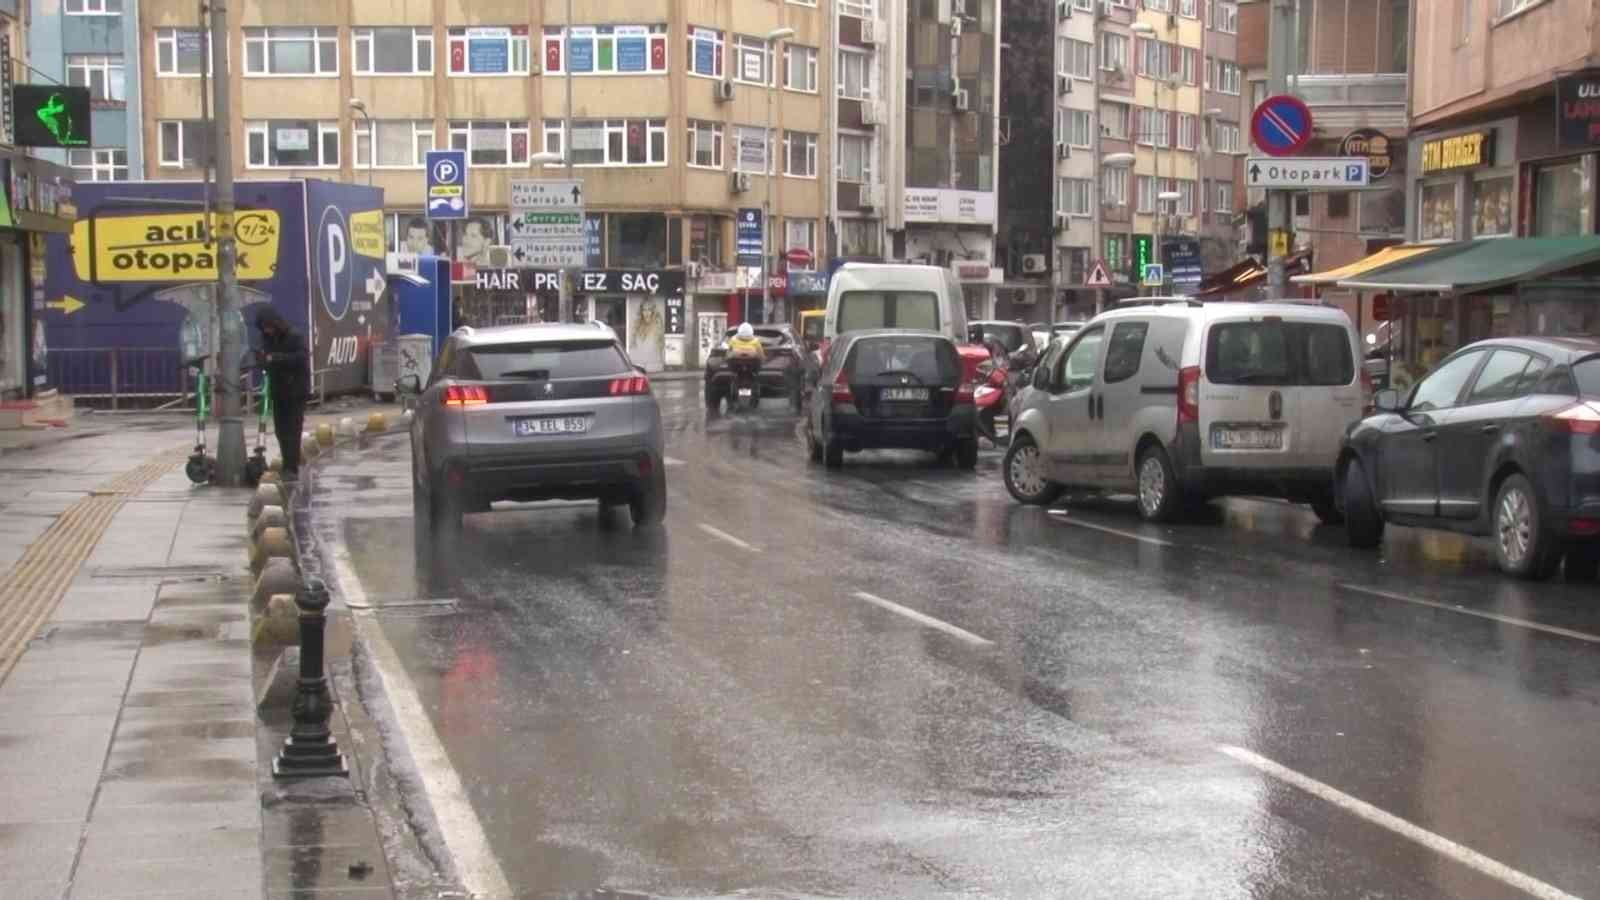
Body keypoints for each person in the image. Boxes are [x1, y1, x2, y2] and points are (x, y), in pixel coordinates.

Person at [252, 307, 310, 480]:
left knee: (293, 429)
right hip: (278, 390)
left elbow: (301, 357)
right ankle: (287, 462)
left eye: (268, 326)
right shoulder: (266, 339)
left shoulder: (294, 336)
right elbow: (266, 360)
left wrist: (277, 358)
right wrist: (262, 359)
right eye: (263, 328)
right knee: (280, 430)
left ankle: (291, 467)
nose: (266, 330)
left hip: (295, 390)